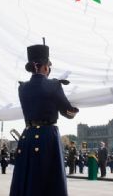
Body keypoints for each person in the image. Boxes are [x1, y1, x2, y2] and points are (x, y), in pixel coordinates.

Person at [9, 44, 79, 196]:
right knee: (48, 182)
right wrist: (75, 109)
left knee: (27, 179)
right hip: (47, 137)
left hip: (27, 136)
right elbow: (67, 112)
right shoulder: (54, 85)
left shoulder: (22, 87)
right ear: (46, 67)